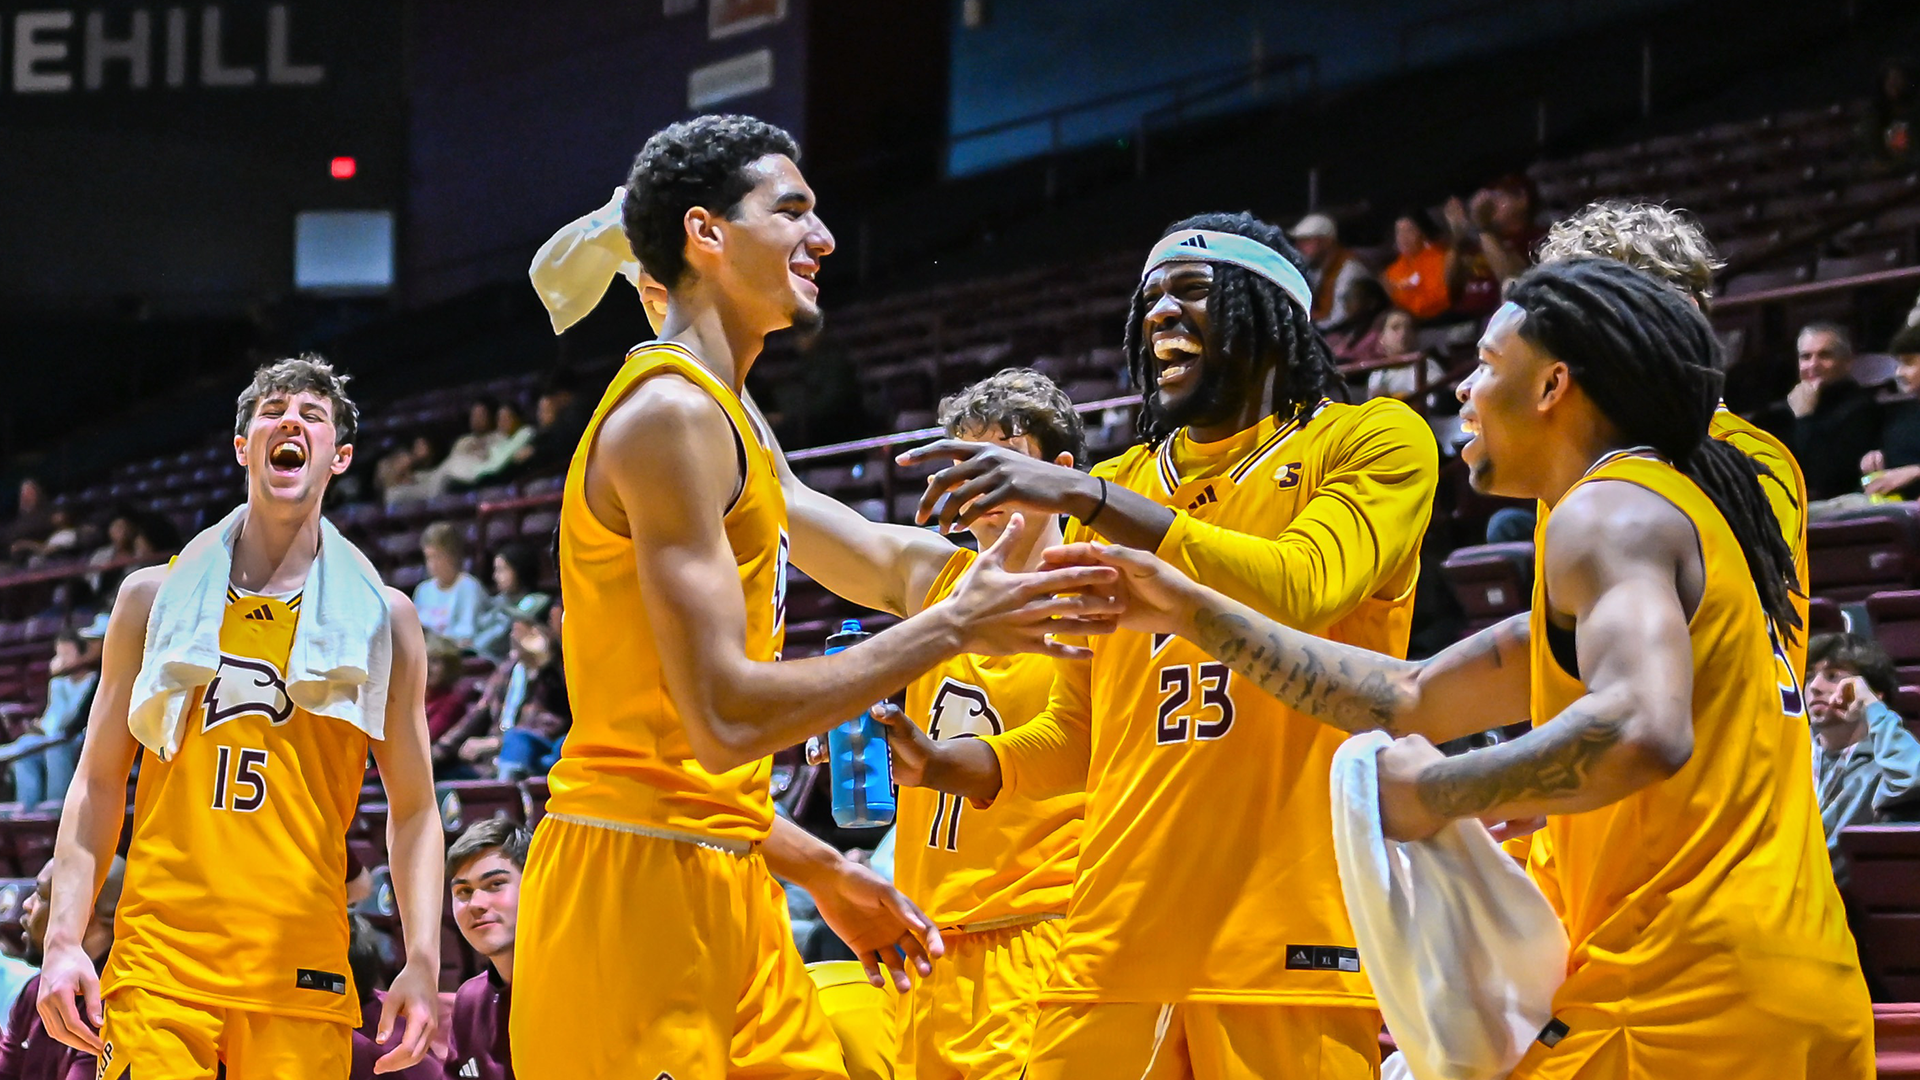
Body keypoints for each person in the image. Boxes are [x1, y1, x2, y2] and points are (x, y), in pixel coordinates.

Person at [1046, 259, 1875, 1077]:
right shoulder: (1674, 519)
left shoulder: (1608, 510)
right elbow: (1406, 696)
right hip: (1801, 977)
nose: (1459, 393)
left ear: (1552, 387)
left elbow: (1642, 728)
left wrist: (1438, 795)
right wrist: (1192, 611)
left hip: (1679, 998)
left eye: (1484, 366)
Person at [508, 114, 1117, 1079]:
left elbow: (793, 502)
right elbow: (722, 718)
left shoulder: (721, 420)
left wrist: (825, 866)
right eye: (793, 210)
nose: (824, 237)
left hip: (732, 864)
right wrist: (953, 625)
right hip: (632, 879)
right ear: (710, 234)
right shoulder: (668, 416)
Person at [887, 210, 1438, 1079]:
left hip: (1283, 930)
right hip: (1115, 934)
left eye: (1191, 291)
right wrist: (952, 766)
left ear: (1270, 309)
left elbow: (1302, 584)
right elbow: (1081, 733)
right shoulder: (1130, 484)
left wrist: (1093, 498)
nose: (1159, 316)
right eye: (1149, 300)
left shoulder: (1371, 439)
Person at [37, 357, 442, 1078]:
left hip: (300, 965)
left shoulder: (385, 620)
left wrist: (420, 958)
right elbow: (97, 782)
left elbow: (413, 810)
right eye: (273, 411)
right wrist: (64, 938)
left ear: (340, 457)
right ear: (241, 445)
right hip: (161, 961)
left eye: (313, 415)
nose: (291, 422)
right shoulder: (150, 599)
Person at [791, 368, 1090, 1080]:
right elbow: (789, 507)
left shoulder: (1099, 594)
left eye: (1000, 463)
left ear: (1062, 473)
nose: (979, 488)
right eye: (965, 465)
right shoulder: (936, 578)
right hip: (928, 943)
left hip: (1042, 936)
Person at [1535, 199, 1811, 679]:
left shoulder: (1749, 462)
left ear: (1681, 317)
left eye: (1591, 320)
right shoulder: (1579, 465)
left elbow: (1689, 659)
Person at [1806, 632, 1920, 886]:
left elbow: (1915, 776)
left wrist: (1870, 706)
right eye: (1810, 677)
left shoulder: (1883, 766)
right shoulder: (1790, 752)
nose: (1814, 687)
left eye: (1833, 676)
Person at [1, 857, 124, 1080]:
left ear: (83, 912)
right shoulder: (36, 989)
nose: (26, 904)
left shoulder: (120, 1005)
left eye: (41, 895)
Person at [444, 819, 529, 1080]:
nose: (476, 904)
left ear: (535, 885)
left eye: (495, 884)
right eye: (464, 891)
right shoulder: (469, 1001)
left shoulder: (586, 987)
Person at [2, 632, 99, 807]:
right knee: (24, 746)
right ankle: (27, 808)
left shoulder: (94, 681)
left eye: (66, 655)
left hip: (78, 737)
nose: (59, 660)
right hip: (53, 735)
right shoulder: (58, 683)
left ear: (81, 655)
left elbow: (74, 721)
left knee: (55, 747)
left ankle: (55, 806)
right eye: (58, 654)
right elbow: (52, 717)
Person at [1790, 321, 1883, 502]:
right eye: (1805, 357)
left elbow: (1827, 480)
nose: (1813, 365)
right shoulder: (1784, 409)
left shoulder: (1862, 409)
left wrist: (1805, 419)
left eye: (1825, 355)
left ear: (1847, 362)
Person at [1445, 176, 1541, 320]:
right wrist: (1457, 238)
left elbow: (1514, 280)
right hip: (1465, 321)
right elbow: (1451, 285)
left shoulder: (1536, 238)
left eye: (1499, 197)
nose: (1489, 205)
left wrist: (1483, 228)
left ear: (1522, 200)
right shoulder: (1479, 241)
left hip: (1506, 318)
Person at [1859, 323, 1920, 498]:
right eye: (1899, 364)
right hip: (1886, 502)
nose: (1899, 373)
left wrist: (1915, 472)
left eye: (1908, 363)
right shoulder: (1902, 415)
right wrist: (1875, 457)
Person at [1289, 213, 1374, 329]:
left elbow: (1342, 319)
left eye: (1307, 241)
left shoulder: (1350, 271)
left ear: (1326, 242)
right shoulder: (1317, 270)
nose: (1299, 247)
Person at [413, 522, 487, 649]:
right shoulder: (422, 590)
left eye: (438, 557)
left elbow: (467, 635)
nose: (432, 565)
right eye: (429, 558)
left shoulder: (469, 587)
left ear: (453, 556)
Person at [472, 543, 551, 662]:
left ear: (519, 570)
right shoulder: (495, 602)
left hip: (508, 661)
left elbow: (512, 625)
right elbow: (480, 625)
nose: (495, 577)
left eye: (502, 570)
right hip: (481, 657)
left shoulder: (537, 599)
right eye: (495, 570)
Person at [1382, 211, 1452, 320]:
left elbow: (1437, 301)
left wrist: (1403, 298)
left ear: (1423, 233)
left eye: (1409, 231)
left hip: (1438, 321)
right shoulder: (1392, 270)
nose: (1403, 238)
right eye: (1399, 232)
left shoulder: (1438, 258)